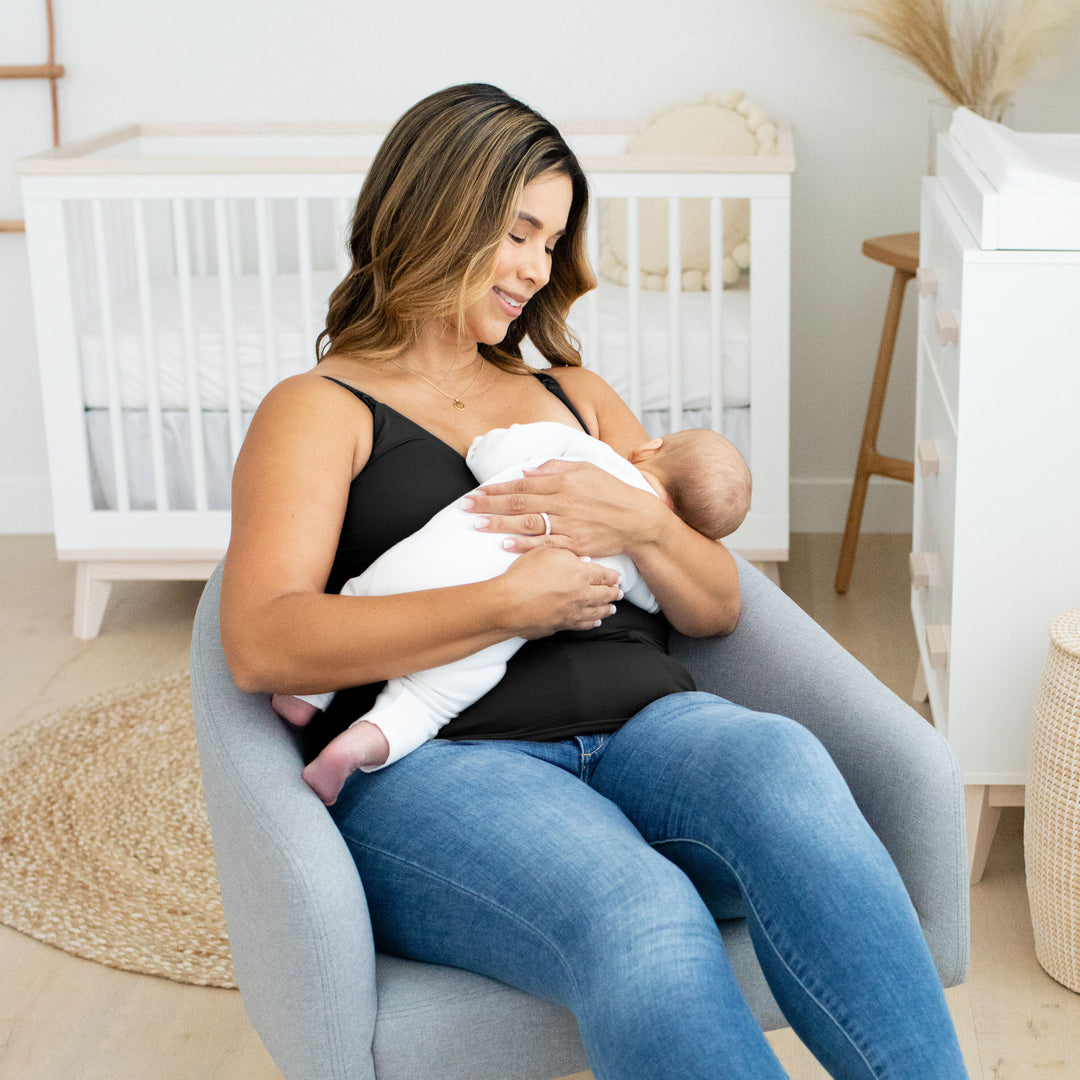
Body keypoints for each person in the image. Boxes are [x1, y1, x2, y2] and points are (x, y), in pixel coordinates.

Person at [220, 83, 967, 1079]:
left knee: (784, 767)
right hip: (442, 769)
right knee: (639, 914)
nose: (534, 268)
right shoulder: (319, 409)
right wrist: (500, 606)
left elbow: (715, 608)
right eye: (517, 233)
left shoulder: (573, 394)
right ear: (433, 210)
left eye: (550, 243)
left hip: (652, 728)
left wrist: (643, 520)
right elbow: (262, 640)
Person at [272, 421, 751, 803]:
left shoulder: (581, 449)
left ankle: (307, 694)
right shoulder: (634, 551)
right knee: (428, 702)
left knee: (361, 595)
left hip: (426, 565)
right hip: (478, 694)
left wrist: (645, 524)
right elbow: (655, 600)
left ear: (650, 448)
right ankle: (358, 746)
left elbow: (487, 452)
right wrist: (644, 541)